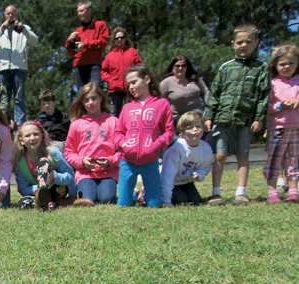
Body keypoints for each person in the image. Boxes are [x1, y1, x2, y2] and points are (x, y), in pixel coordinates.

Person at [204, 23, 270, 206]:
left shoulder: (261, 68)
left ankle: (241, 192)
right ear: (233, 43)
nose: (243, 45)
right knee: (220, 155)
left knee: (243, 155)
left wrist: (259, 118)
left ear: (256, 43)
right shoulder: (226, 68)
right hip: (222, 118)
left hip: (245, 120)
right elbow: (214, 93)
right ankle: (215, 192)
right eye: (239, 42)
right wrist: (209, 116)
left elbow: (263, 96)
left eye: (248, 42)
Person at [114, 65, 175, 207]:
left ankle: (143, 194)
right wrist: (123, 144)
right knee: (123, 205)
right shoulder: (127, 107)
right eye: (128, 84)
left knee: (154, 205)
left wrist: (155, 146)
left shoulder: (162, 104)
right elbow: (118, 133)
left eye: (134, 82)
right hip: (127, 161)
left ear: (147, 79)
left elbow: (169, 132)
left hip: (150, 161)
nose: (131, 87)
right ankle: (135, 193)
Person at [64, 82, 120, 206]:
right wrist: (82, 161)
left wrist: (110, 161)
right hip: (85, 173)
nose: (91, 102)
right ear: (82, 103)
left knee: (107, 199)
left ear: (100, 98)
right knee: (90, 199)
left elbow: (122, 150)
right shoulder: (77, 124)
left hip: (108, 172)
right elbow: (68, 152)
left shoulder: (113, 122)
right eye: (86, 100)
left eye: (94, 98)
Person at [0, 5, 38, 126]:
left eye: (13, 13)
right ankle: (3, 123)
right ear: (5, 15)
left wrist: (23, 28)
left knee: (19, 98)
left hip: (19, 68)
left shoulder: (23, 30)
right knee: (3, 98)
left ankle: (20, 126)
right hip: (2, 69)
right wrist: (2, 28)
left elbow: (34, 41)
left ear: (16, 15)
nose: (11, 16)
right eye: (8, 13)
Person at [263, 43, 299, 203]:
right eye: (282, 64)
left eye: (291, 63)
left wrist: (298, 101)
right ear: (275, 65)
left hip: (297, 126)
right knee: (275, 159)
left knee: (294, 159)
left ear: (298, 63)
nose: (286, 66)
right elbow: (266, 106)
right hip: (277, 127)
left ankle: (293, 191)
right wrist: (280, 105)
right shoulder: (272, 83)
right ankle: (272, 192)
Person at [13, 120, 76, 210]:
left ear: (42, 136)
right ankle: (48, 204)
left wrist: (55, 177)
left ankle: (48, 201)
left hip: (57, 190)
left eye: (36, 134)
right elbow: (23, 189)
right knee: (22, 203)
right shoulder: (20, 162)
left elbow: (70, 176)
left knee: (43, 161)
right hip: (37, 194)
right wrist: (38, 189)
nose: (32, 138)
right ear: (21, 140)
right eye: (27, 136)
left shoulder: (53, 152)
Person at [160, 111, 214, 206]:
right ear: (182, 132)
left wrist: (199, 174)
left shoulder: (206, 148)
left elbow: (206, 167)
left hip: (186, 182)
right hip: (172, 182)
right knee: (182, 201)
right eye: (190, 128)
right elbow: (167, 176)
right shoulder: (177, 149)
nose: (195, 130)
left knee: (195, 201)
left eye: (198, 126)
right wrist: (166, 200)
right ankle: (149, 192)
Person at [65, 2, 108, 92]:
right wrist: (69, 41)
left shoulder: (100, 25)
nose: (79, 14)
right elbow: (71, 52)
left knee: (95, 92)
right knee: (81, 95)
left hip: (94, 65)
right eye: (78, 12)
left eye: (81, 11)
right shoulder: (78, 31)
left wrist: (85, 44)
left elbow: (103, 42)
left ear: (89, 11)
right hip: (79, 66)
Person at [101, 27, 142, 116]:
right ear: (114, 40)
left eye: (122, 37)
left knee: (132, 111)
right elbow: (103, 72)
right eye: (117, 38)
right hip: (115, 89)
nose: (119, 40)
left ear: (125, 38)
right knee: (116, 112)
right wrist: (109, 80)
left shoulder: (132, 52)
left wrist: (136, 79)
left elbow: (140, 67)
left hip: (130, 88)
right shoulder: (110, 55)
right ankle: (116, 130)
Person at [160, 55, 210, 124]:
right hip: (179, 119)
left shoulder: (195, 79)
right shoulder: (167, 82)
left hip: (198, 114)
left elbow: (206, 92)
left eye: (183, 66)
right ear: (173, 67)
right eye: (177, 66)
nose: (180, 68)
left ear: (187, 67)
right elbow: (157, 99)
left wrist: (210, 108)